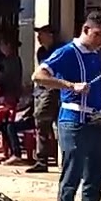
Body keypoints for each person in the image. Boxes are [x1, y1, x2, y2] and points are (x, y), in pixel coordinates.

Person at [31, 11, 101, 201]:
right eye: (98, 34)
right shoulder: (68, 52)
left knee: (96, 178)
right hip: (74, 122)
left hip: (96, 121)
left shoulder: (95, 55)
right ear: (86, 29)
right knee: (70, 180)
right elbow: (39, 76)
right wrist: (70, 86)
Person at [27, 25, 59, 173]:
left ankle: (46, 158)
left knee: (42, 118)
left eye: (42, 34)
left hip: (53, 90)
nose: (39, 37)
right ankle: (42, 159)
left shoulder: (58, 51)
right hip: (40, 90)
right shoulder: (41, 52)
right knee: (41, 124)